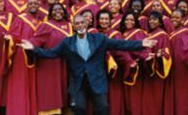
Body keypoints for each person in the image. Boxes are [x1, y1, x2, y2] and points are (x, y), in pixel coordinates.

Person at [18, 15, 157, 115]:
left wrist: (141, 44)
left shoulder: (99, 38)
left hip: (97, 79)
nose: (80, 25)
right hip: (78, 82)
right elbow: (51, 53)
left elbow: (120, 44)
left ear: (87, 24)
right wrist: (33, 49)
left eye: (82, 23)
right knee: (79, 109)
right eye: (77, 23)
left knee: (102, 108)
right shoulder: (67, 42)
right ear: (73, 26)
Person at [26, 3, 72, 114]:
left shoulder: (70, 25)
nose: (58, 12)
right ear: (50, 13)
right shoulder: (45, 25)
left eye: (60, 9)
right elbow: (36, 41)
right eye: (54, 10)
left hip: (65, 64)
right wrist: (30, 46)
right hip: (49, 65)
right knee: (51, 93)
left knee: (64, 92)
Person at [4, 0, 42, 115]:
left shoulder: (41, 21)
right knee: (21, 85)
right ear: (26, 5)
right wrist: (9, 39)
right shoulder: (20, 19)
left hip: (36, 55)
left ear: (39, 5)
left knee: (33, 85)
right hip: (21, 56)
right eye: (30, 3)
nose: (33, 5)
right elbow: (13, 35)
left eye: (35, 3)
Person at [164, 9, 188, 115]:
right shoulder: (171, 33)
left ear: (182, 20)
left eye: (177, 17)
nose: (174, 19)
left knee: (183, 96)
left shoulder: (186, 32)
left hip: (183, 70)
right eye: (172, 17)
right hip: (173, 69)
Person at [119, 11, 150, 115]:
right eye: (127, 19)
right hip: (125, 68)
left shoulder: (138, 32)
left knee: (135, 99)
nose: (129, 22)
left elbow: (142, 49)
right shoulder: (121, 34)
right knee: (127, 99)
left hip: (136, 69)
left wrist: (142, 57)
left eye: (132, 20)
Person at [142, 11, 171, 115]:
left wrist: (159, 55)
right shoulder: (148, 34)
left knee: (155, 99)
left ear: (159, 22)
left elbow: (166, 52)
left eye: (154, 19)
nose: (151, 21)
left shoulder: (162, 34)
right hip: (147, 70)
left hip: (157, 71)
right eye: (150, 19)